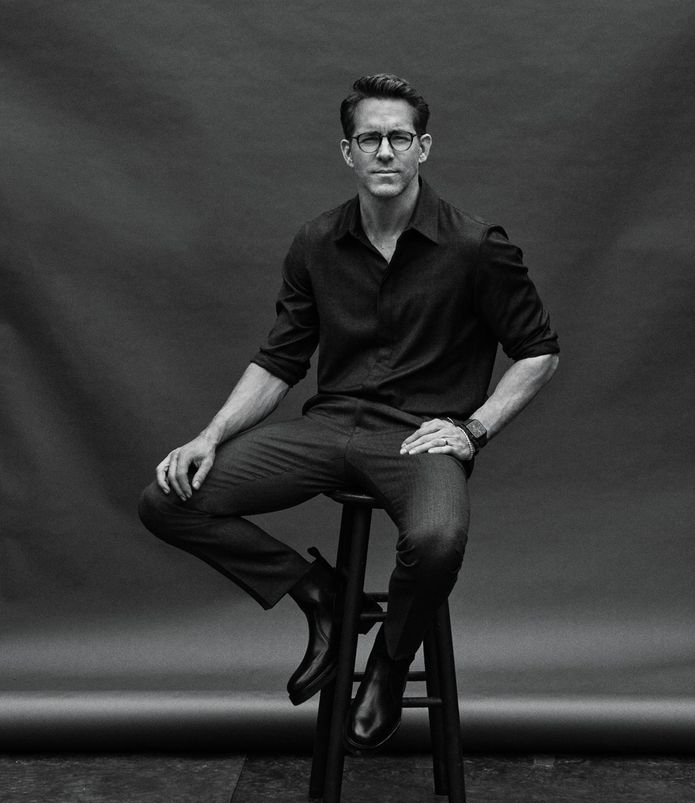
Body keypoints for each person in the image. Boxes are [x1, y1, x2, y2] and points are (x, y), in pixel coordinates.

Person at [139, 73, 559, 751]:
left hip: (417, 439)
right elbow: (279, 360)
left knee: (435, 542)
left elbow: (538, 351)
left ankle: (388, 665)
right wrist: (208, 436)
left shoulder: (473, 246)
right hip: (329, 426)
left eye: (399, 138)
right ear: (348, 153)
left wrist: (472, 428)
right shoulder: (316, 243)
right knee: (168, 499)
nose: (385, 151)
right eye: (370, 139)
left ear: (423, 147)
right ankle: (323, 598)